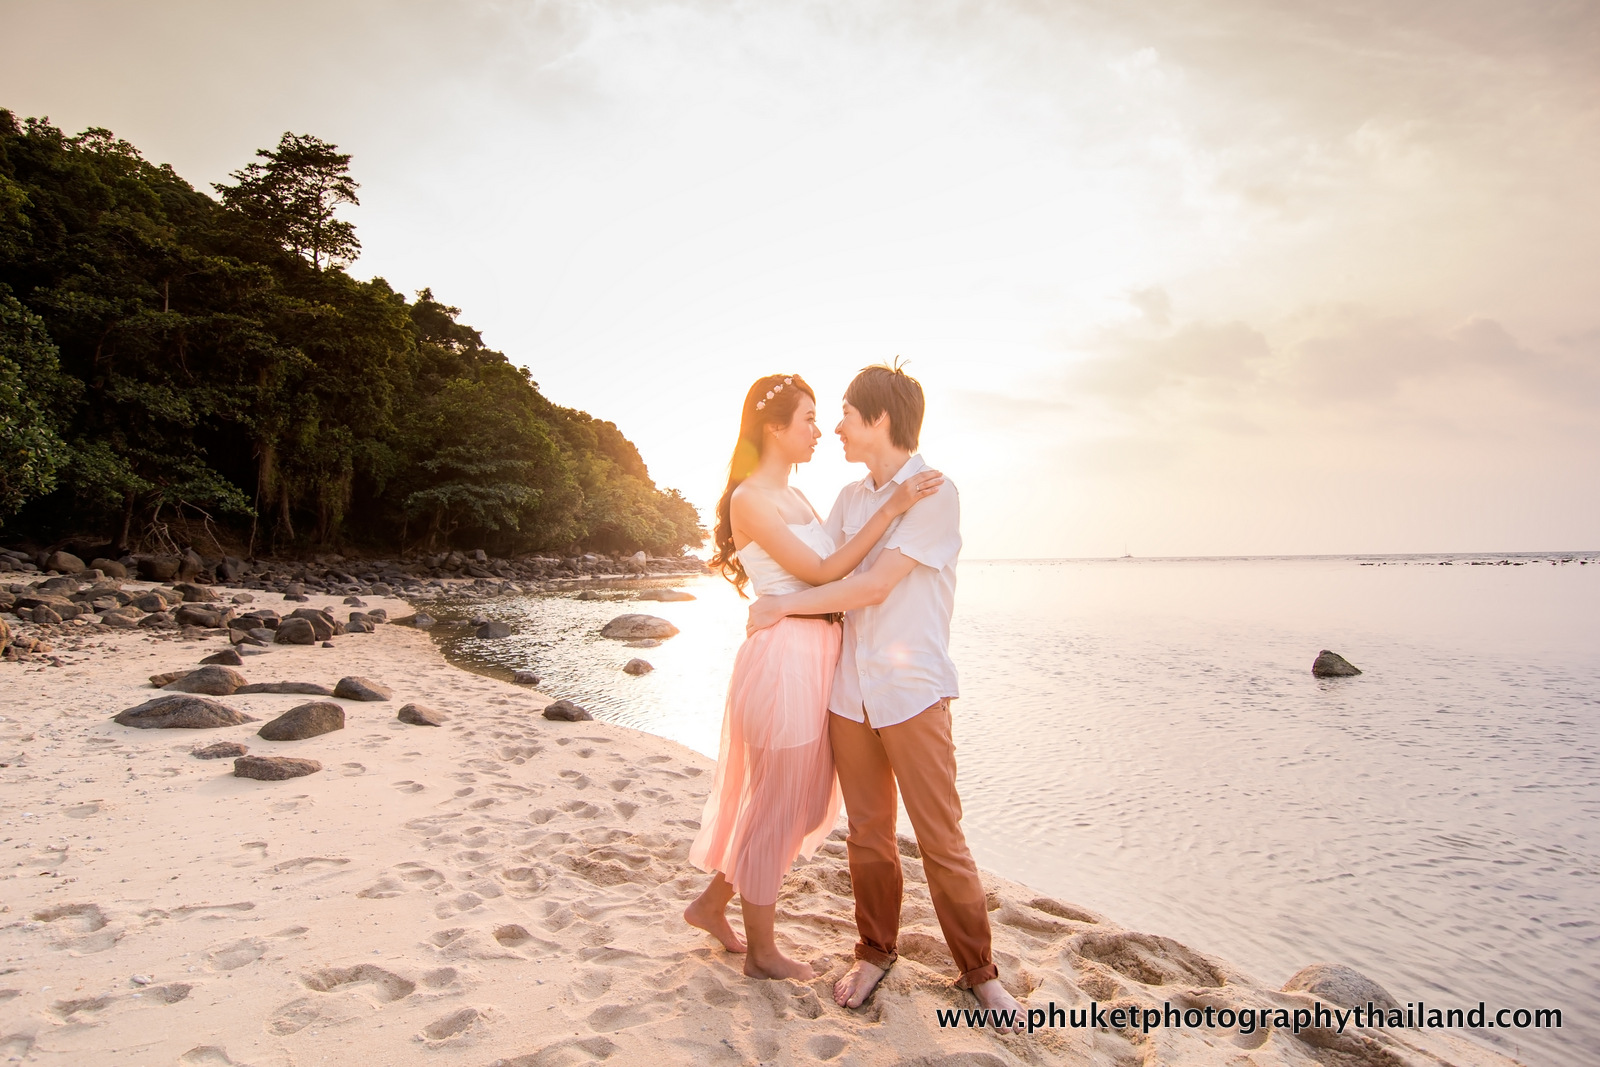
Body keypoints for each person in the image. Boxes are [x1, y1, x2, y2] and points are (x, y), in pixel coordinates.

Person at [746, 363, 1025, 1030]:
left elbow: (871, 588)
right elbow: (832, 569)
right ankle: (875, 950)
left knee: (941, 839)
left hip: (913, 690)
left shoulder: (934, 492)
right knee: (869, 835)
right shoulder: (847, 498)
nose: (837, 426)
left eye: (845, 412)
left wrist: (780, 607)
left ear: (879, 420)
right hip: (850, 693)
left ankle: (979, 972)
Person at [683, 372, 944, 981]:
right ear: (774, 427)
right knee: (782, 803)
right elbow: (826, 570)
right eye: (807, 418)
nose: (819, 430)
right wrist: (894, 505)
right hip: (784, 659)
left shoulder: (798, 497)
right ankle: (763, 954)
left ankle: (710, 904)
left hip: (816, 655)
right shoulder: (752, 498)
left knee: (797, 805)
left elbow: (848, 573)